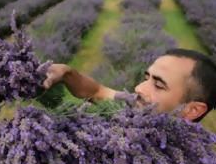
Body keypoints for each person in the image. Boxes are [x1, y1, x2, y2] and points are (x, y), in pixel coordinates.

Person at [43, 48, 216, 122]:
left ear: (192, 110)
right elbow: (98, 91)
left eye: (159, 85)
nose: (139, 88)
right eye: (147, 78)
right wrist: (68, 73)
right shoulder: (136, 103)